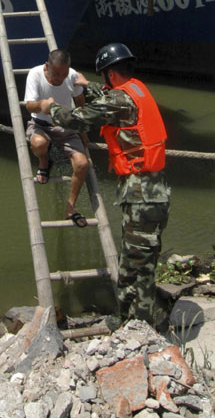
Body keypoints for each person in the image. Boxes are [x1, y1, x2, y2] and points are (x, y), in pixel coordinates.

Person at [38, 43, 171, 326]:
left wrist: (53, 108)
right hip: (152, 192)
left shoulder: (118, 101)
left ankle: (138, 328)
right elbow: (112, 95)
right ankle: (130, 320)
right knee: (137, 261)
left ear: (110, 73)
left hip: (141, 196)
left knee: (138, 268)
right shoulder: (136, 88)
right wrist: (89, 85)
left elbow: (77, 120)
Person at [25, 49, 89, 228]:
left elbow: (79, 100)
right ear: (47, 67)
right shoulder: (35, 74)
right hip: (41, 124)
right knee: (38, 144)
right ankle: (44, 161)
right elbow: (29, 105)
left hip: (67, 126)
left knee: (82, 164)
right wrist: (42, 105)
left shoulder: (73, 75)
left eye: (64, 74)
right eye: (55, 75)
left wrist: (82, 129)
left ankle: (70, 207)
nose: (60, 79)